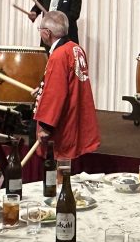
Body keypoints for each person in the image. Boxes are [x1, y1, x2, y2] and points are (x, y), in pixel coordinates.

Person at [33, 11, 100, 166]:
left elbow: (56, 93)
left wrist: (46, 127)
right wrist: (43, 87)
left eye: (40, 30)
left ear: (47, 33)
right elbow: (69, 82)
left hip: (64, 123)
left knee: (61, 168)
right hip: (76, 116)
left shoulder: (59, 55)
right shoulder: (76, 49)